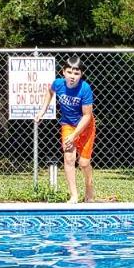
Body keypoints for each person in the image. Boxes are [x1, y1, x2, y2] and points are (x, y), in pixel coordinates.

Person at [39, 53, 96, 204]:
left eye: (76, 73)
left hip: (85, 126)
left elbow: (87, 116)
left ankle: (89, 187)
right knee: (69, 158)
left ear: (81, 75)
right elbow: (50, 92)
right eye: (69, 72)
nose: (72, 76)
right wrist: (42, 111)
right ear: (63, 72)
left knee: (83, 163)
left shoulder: (85, 89)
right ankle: (74, 195)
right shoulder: (58, 84)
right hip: (68, 125)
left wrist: (76, 134)